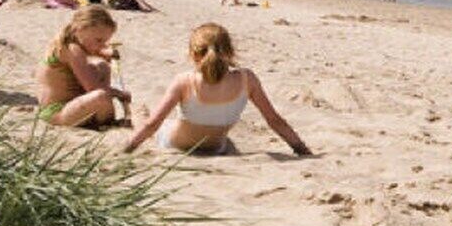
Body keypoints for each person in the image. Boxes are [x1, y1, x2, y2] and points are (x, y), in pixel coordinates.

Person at [125, 23, 312, 157]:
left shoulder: (184, 80)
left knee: (144, 118)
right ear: (230, 52)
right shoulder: (247, 79)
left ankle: (132, 111)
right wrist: (301, 149)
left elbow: (152, 124)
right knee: (225, 139)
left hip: (176, 145)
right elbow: (274, 120)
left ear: (192, 54)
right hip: (216, 148)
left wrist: (127, 149)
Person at [36, 5, 131, 128]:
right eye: (98, 40)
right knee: (101, 95)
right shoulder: (72, 49)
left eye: (104, 42)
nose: (101, 45)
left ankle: (103, 118)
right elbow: (92, 88)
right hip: (58, 111)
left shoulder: (72, 39)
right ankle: (107, 122)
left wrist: (105, 52)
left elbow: (93, 51)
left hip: (70, 105)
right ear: (80, 29)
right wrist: (119, 93)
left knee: (102, 66)